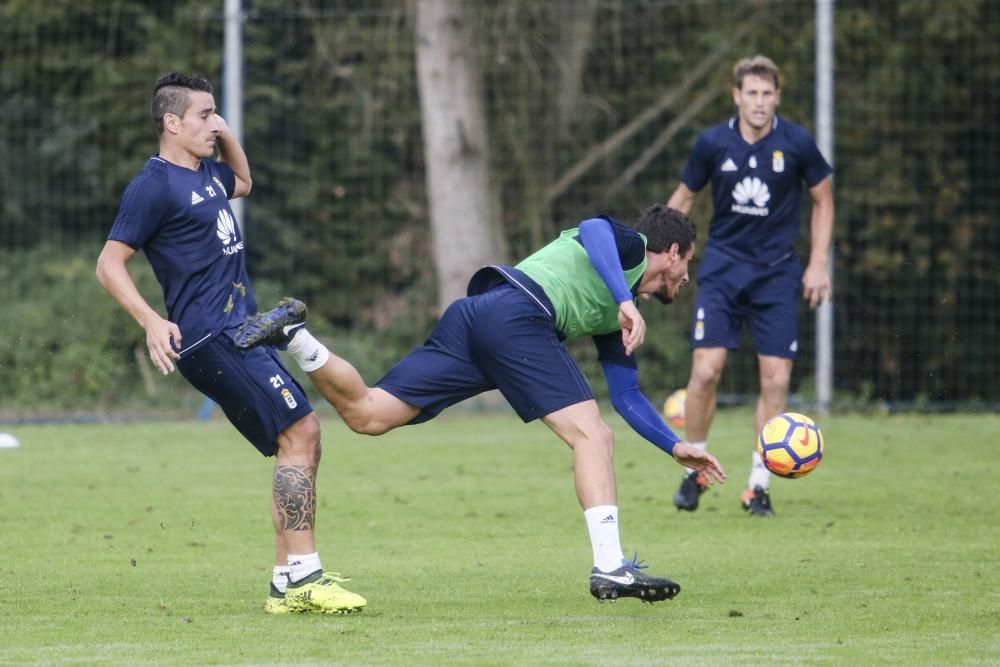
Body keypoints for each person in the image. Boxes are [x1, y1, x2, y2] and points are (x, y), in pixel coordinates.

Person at [235, 205, 727, 604]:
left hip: (477, 317)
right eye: (689, 266)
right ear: (675, 253)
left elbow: (627, 395)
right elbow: (596, 228)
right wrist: (622, 298)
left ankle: (296, 337)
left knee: (368, 414)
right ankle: (610, 567)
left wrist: (674, 446)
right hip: (519, 313)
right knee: (592, 436)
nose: (687, 279)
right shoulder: (632, 250)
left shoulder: (623, 312)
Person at [95, 72, 366, 614]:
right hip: (209, 336)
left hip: (243, 330)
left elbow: (244, 180)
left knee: (300, 440)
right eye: (203, 116)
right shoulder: (155, 184)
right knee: (302, 433)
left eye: (216, 114)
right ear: (171, 122)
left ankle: (286, 583)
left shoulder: (207, 176)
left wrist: (225, 132)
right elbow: (108, 263)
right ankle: (306, 579)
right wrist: (151, 320)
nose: (213, 125)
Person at [665, 55, 834, 516]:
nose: (759, 102)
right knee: (704, 372)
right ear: (736, 96)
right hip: (722, 268)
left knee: (775, 380)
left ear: (777, 97)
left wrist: (818, 263)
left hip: (777, 273)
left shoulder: (797, 143)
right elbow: (683, 199)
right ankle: (694, 469)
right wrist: (658, 254)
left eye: (767, 94)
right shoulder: (712, 143)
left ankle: (758, 485)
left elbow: (823, 200)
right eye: (751, 94)